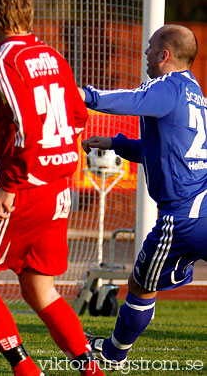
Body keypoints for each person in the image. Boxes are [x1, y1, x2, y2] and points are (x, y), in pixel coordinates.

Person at [0, 0, 105, 376]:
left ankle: (26, 371)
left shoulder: (4, 62)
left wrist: (11, 184)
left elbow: (25, 125)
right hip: (59, 188)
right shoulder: (54, 56)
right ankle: (91, 369)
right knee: (40, 288)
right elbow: (78, 115)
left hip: (25, 190)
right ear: (29, 11)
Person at [80, 24, 207, 370]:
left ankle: (113, 355)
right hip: (202, 207)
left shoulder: (165, 86)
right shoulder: (196, 93)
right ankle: (113, 351)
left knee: (139, 286)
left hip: (180, 218)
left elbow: (131, 100)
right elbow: (166, 151)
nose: (146, 54)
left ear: (165, 55)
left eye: (150, 48)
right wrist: (116, 143)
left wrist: (85, 96)